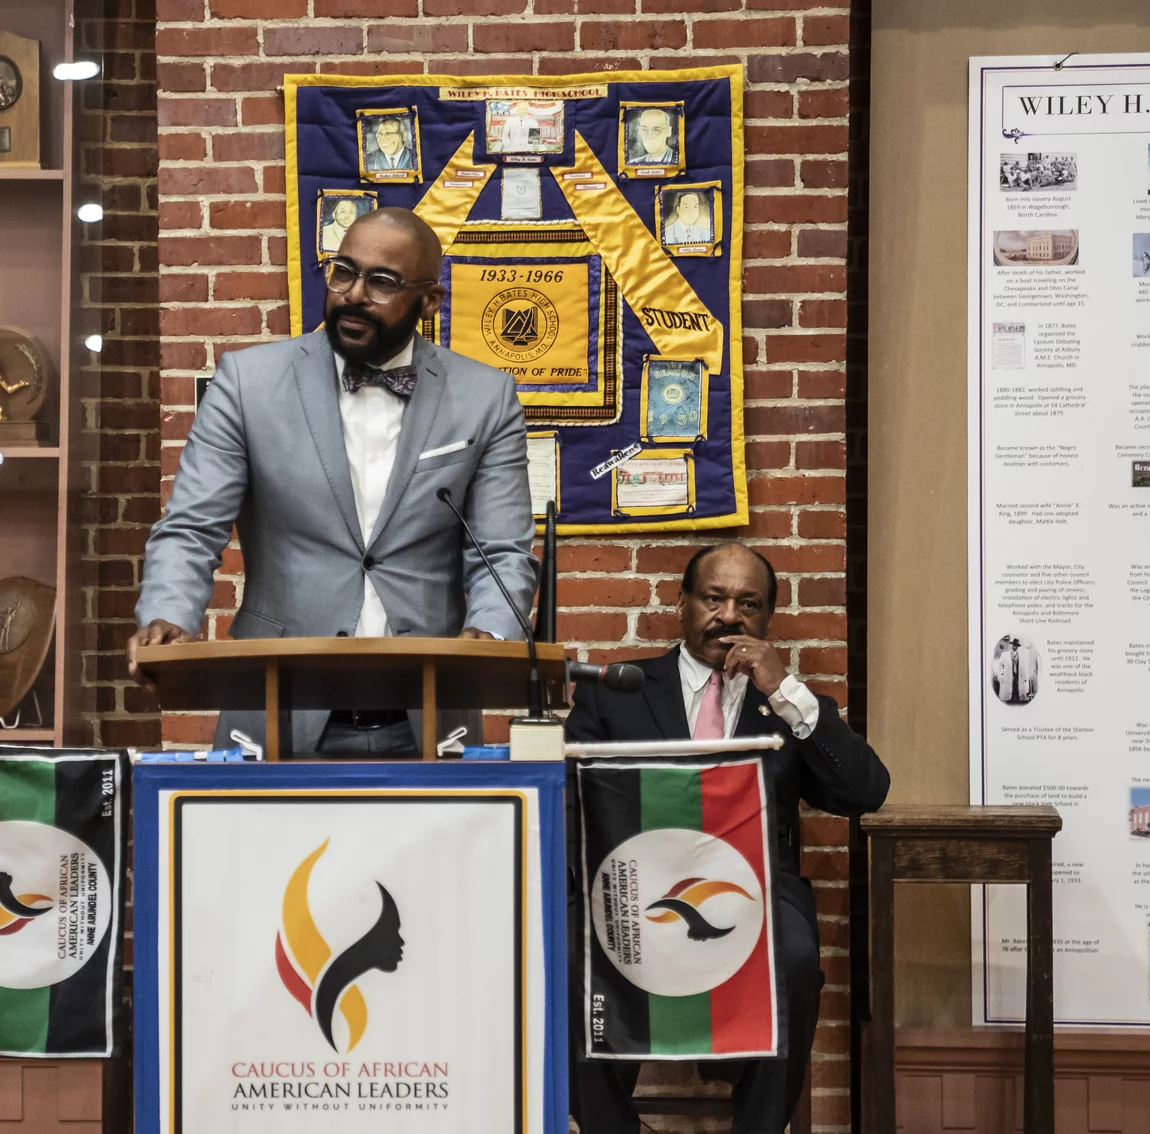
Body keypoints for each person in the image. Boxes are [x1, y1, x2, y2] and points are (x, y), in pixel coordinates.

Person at [130, 207, 537, 756]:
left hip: (429, 713)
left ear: (429, 301)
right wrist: (169, 615)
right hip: (276, 707)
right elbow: (192, 527)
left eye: (382, 282)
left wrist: (489, 634)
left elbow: (502, 549)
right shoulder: (248, 384)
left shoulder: (485, 397)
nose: (354, 295)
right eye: (343, 272)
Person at [565, 542, 889, 1134]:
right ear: (682, 603)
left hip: (753, 893)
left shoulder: (787, 707)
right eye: (713, 599)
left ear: (768, 617)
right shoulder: (617, 690)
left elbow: (864, 792)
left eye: (749, 603)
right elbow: (570, 801)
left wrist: (785, 691)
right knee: (568, 957)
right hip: (633, 886)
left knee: (794, 960)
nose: (729, 615)